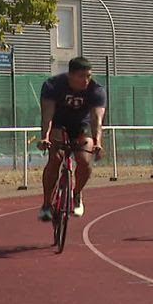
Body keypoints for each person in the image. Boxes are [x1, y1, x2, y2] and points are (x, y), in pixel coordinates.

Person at [37, 56, 106, 221]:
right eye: (81, 76)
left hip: (81, 127)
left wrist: (98, 143)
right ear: (70, 75)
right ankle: (47, 204)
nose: (86, 80)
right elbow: (47, 116)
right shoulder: (52, 85)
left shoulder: (96, 90)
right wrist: (45, 137)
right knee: (55, 157)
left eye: (88, 76)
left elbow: (97, 120)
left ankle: (76, 194)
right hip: (58, 125)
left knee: (84, 159)